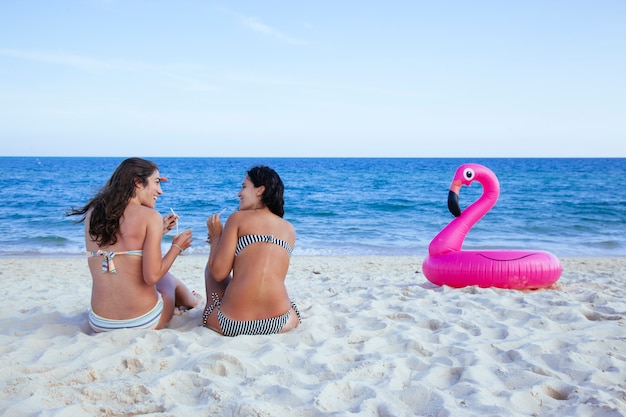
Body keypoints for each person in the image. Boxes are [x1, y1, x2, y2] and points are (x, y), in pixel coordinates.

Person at [67, 157, 201, 332]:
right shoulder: (149, 216)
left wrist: (159, 231)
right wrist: (177, 247)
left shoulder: (93, 213)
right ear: (138, 182)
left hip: (100, 322)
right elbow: (152, 276)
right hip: (143, 321)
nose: (160, 191)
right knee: (165, 278)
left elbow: (121, 245)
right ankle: (192, 301)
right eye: (157, 182)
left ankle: (185, 302)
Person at [203, 165, 300, 336]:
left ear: (260, 190)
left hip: (232, 324)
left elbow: (219, 273)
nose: (238, 194)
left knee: (210, 271)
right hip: (278, 322)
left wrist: (216, 238)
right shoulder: (289, 229)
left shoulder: (237, 218)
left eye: (243, 187)